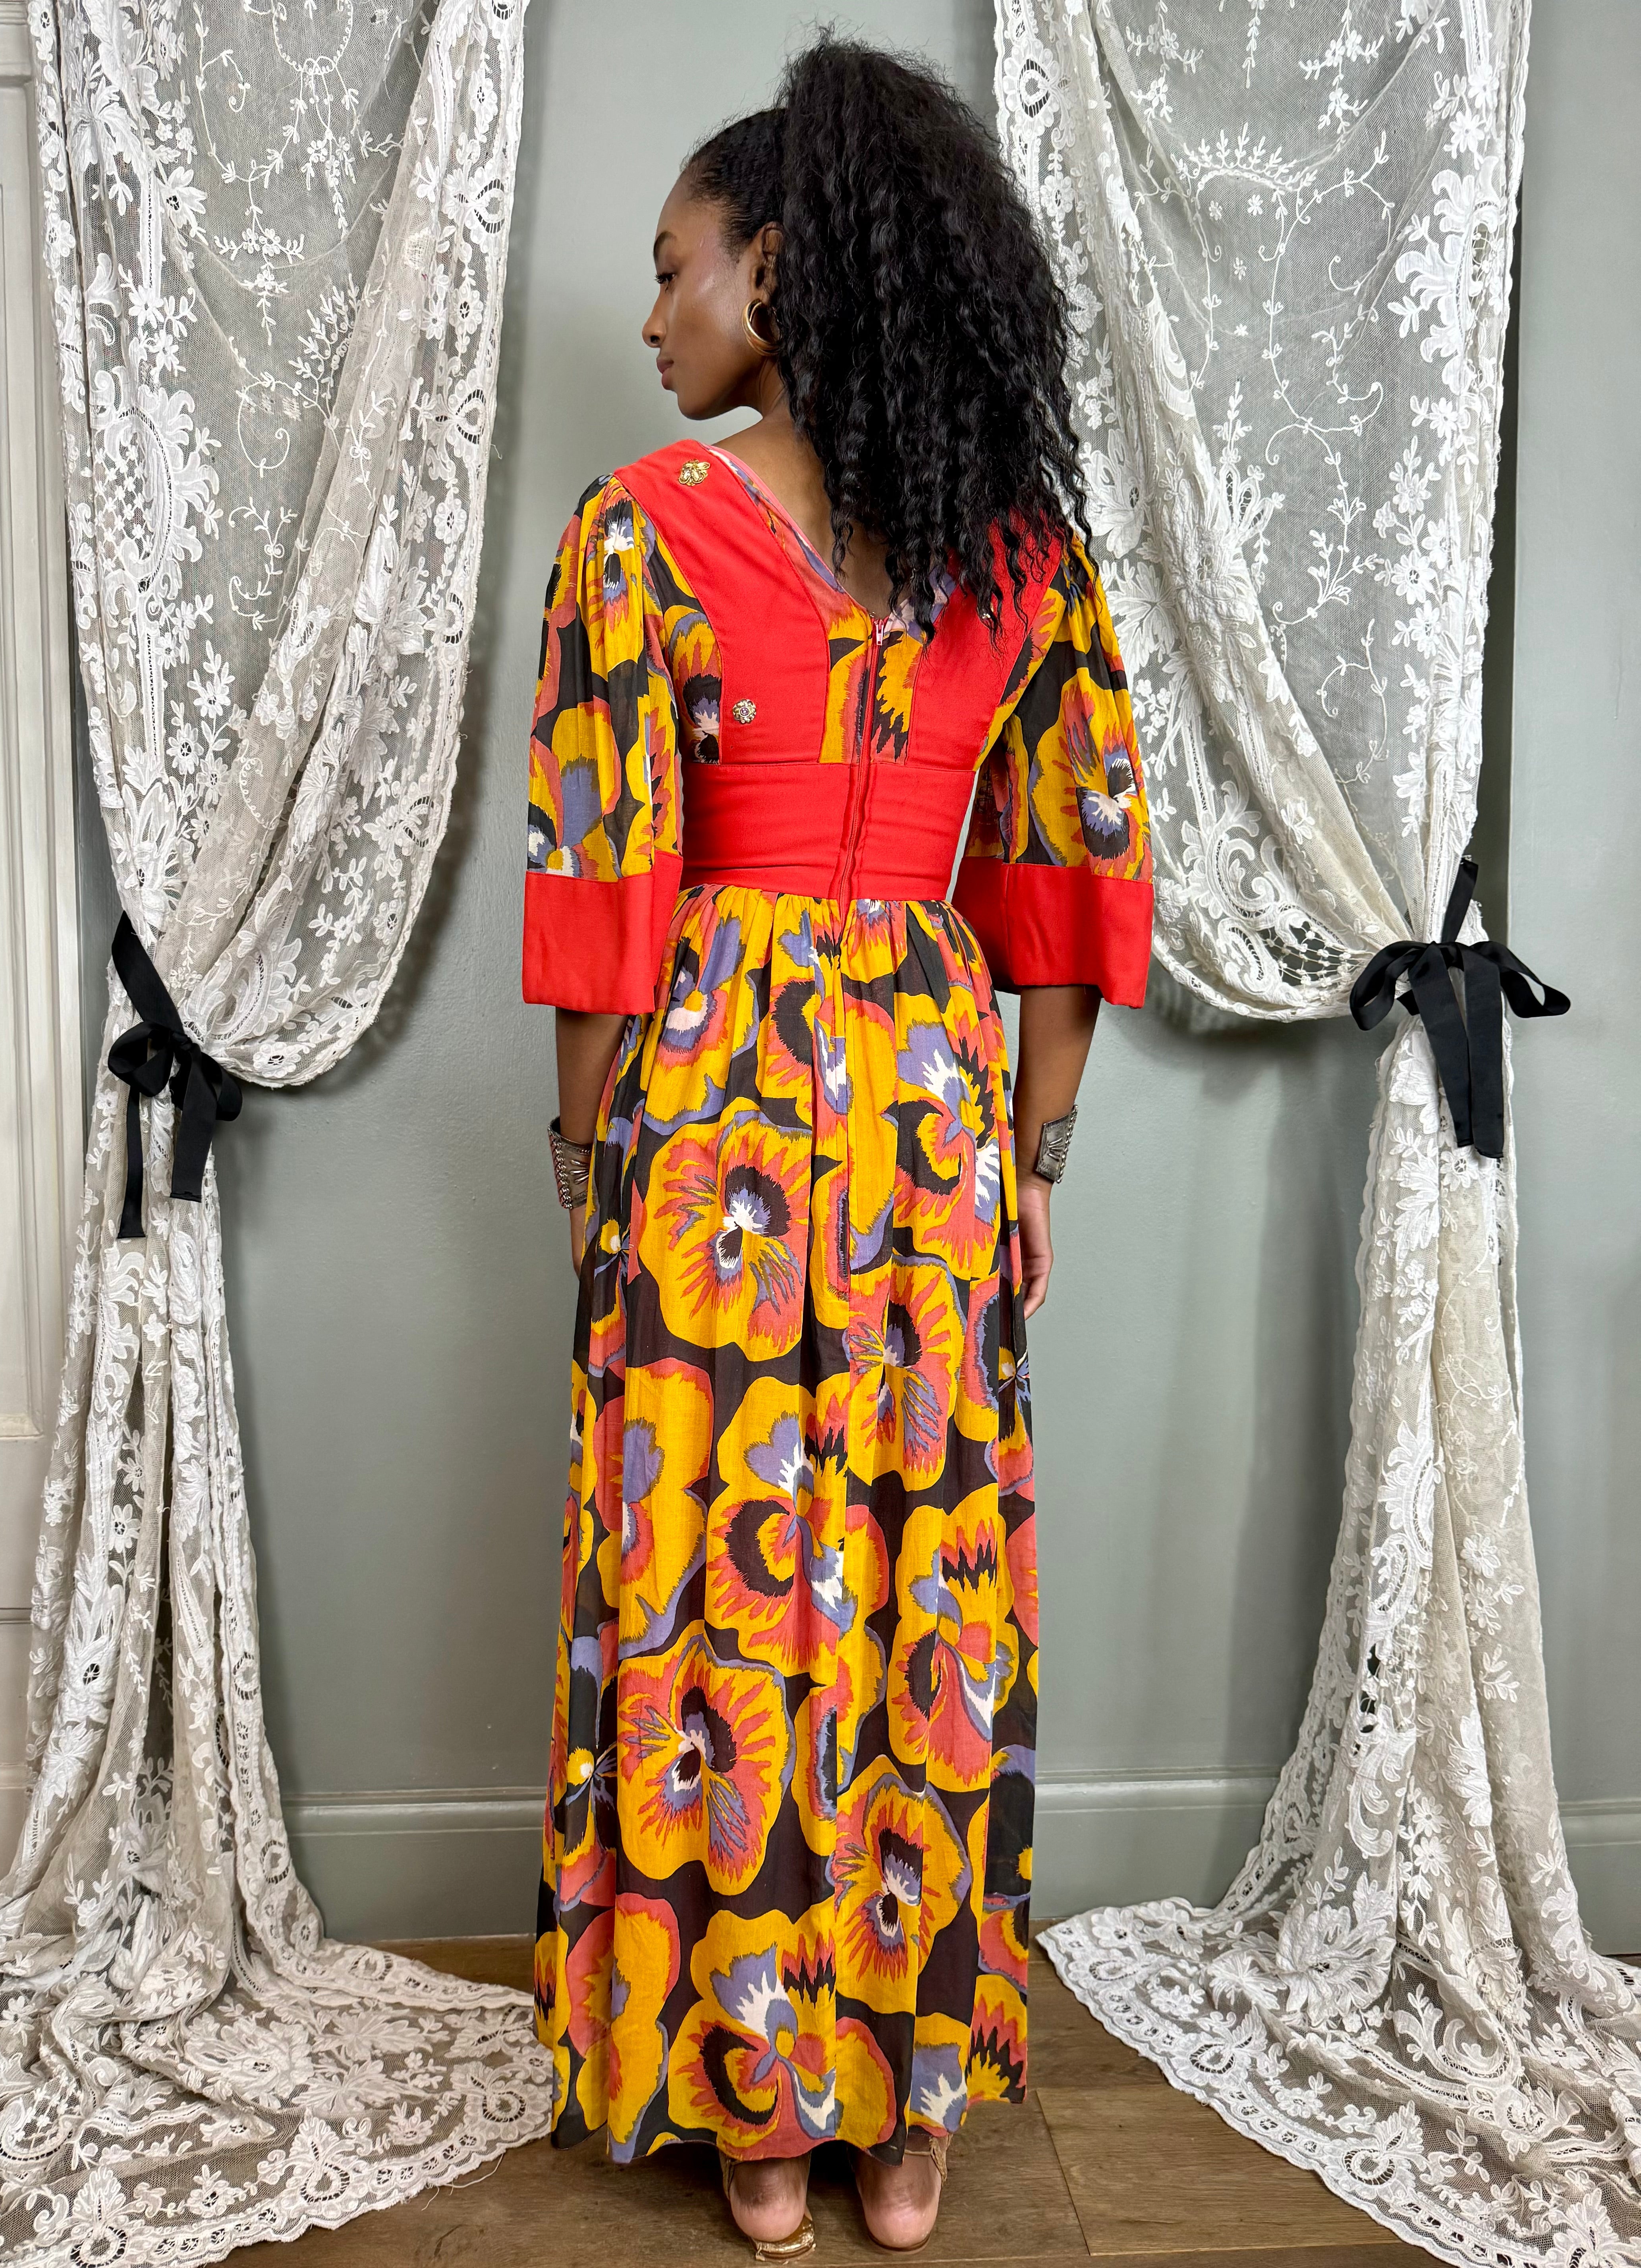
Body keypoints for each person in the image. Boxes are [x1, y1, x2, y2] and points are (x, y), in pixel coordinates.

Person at [523, 34, 1151, 2258]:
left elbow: (607, 893)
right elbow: (1066, 875)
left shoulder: (640, 539)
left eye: (677, 266)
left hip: (714, 1113)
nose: (653, 313)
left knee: (719, 1579)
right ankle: (907, 2103)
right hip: (929, 1117)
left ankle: (762, 2107)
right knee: (916, 1572)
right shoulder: (1017, 558)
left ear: (779, 273)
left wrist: (585, 1167)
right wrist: (1035, 1165)